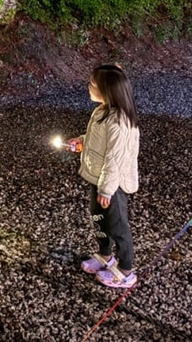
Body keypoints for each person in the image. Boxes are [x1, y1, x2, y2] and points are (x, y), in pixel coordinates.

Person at [68, 63, 140, 289]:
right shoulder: (102, 110)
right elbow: (97, 139)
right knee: (98, 217)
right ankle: (105, 255)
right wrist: (82, 141)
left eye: (92, 84)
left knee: (117, 225)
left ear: (107, 90)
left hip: (112, 184)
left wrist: (106, 190)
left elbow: (114, 159)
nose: (88, 87)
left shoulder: (119, 122)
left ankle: (126, 269)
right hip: (97, 178)